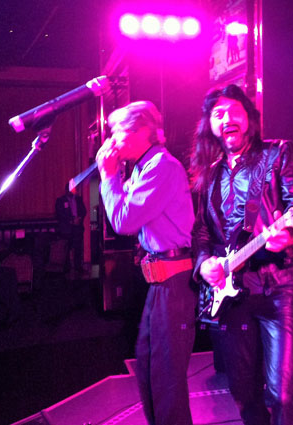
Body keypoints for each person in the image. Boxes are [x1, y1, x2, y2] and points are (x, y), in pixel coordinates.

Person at [190, 84, 293, 425]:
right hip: (232, 293)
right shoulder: (209, 172)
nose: (227, 119)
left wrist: (289, 235)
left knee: (283, 395)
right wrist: (204, 264)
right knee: (244, 392)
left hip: (280, 287)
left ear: (249, 118)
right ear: (209, 124)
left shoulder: (279, 153)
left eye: (234, 111)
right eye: (218, 114)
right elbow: (201, 230)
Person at [96, 101, 196, 425]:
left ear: (141, 130)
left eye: (117, 132)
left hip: (173, 282)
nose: (112, 140)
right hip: (159, 282)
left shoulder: (162, 167)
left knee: (166, 377)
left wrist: (108, 176)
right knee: (149, 367)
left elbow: (123, 221)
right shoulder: (143, 167)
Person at [55, 184, 86, 272]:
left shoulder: (78, 199)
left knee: (78, 248)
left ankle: (78, 267)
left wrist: (79, 218)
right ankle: (66, 268)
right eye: (71, 189)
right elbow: (60, 214)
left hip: (78, 228)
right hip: (66, 229)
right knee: (66, 249)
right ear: (66, 190)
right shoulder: (60, 200)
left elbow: (84, 211)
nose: (72, 191)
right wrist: (71, 220)